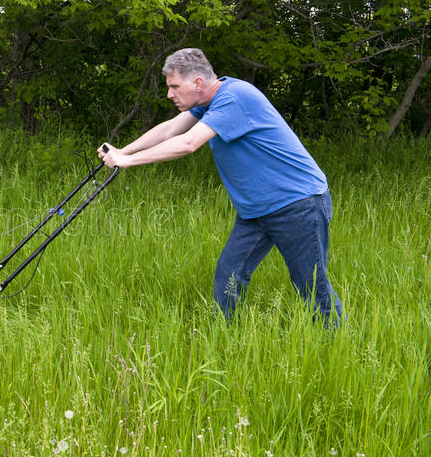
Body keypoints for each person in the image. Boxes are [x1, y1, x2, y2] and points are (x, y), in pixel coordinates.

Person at [99, 48, 344, 326]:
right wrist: (121, 151)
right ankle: (225, 335)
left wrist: (128, 161)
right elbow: (170, 129)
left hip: (297, 203)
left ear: (198, 83)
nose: (169, 94)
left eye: (174, 87)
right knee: (229, 274)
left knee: (311, 285)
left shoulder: (234, 98)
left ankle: (336, 341)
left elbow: (188, 143)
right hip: (256, 209)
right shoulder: (208, 101)